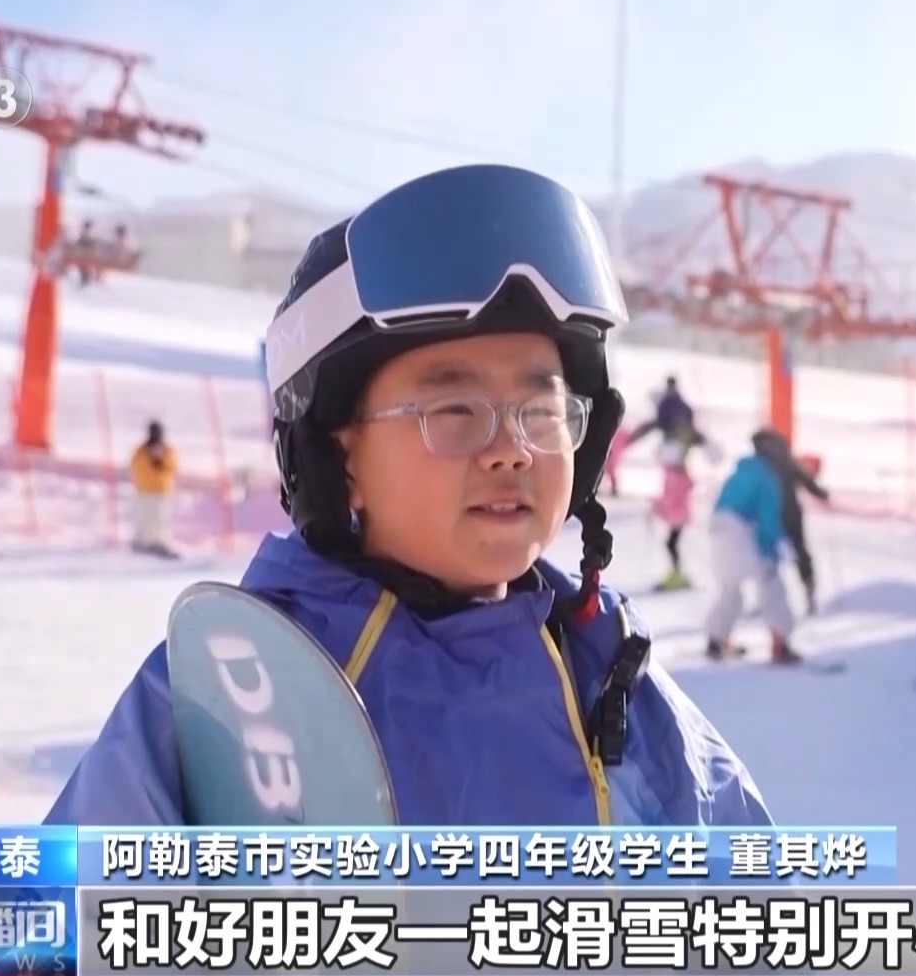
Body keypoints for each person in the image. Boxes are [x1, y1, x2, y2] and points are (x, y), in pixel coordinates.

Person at [45, 164, 772, 826]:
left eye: (541, 410)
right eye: (454, 411)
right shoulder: (240, 685)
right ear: (339, 454)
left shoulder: (610, 673)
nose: (512, 449)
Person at [703, 429, 803, 666]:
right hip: (740, 531)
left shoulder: (741, 469)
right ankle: (781, 643)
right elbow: (768, 519)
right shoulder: (766, 476)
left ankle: (716, 640)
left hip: (719, 531)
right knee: (770, 584)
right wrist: (773, 548)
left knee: (730, 589)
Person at [752, 430, 831, 615]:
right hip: (790, 514)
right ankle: (808, 594)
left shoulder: (762, 464)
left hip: (773, 515)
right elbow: (807, 480)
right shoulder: (786, 461)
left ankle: (768, 600)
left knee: (767, 555)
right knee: (798, 553)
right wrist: (821, 493)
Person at [651, 429, 706, 592]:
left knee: (671, 544)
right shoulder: (674, 473)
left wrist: (659, 506)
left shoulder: (677, 476)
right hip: (677, 516)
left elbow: (672, 497)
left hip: (678, 516)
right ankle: (676, 573)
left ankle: (677, 574)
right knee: (671, 544)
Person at [128, 421, 179, 557]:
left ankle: (160, 542)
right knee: (144, 517)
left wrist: (160, 461)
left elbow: (172, 466)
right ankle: (141, 542)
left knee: (160, 518)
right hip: (145, 491)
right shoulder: (141, 451)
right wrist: (150, 459)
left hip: (161, 491)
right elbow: (136, 467)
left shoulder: (167, 450)